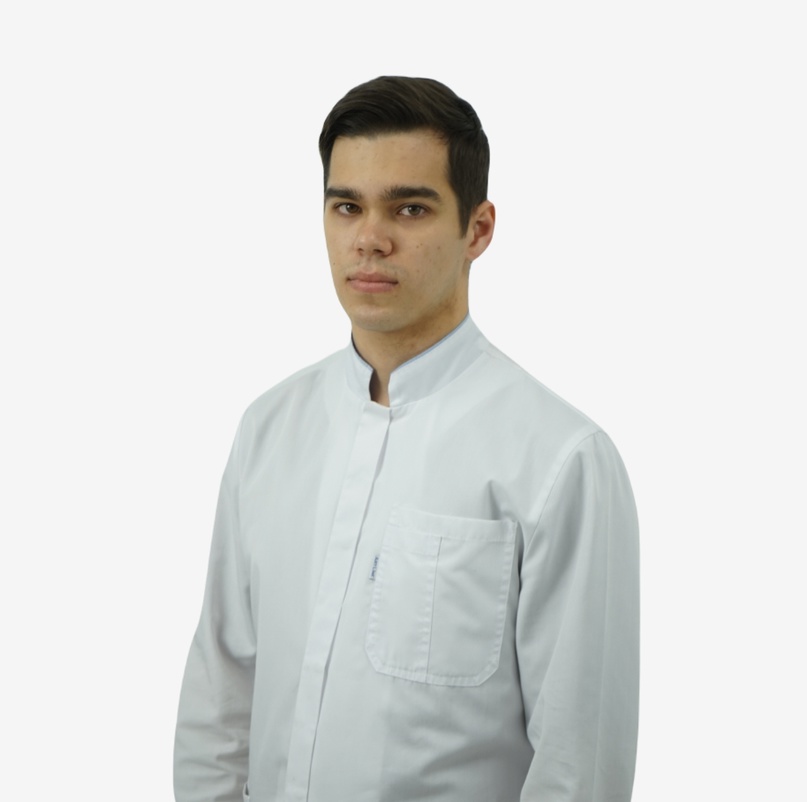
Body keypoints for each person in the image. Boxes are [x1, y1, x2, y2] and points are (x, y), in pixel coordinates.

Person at [174, 76, 640, 802]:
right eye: (346, 206)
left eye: (410, 208)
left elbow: (578, 767)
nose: (370, 237)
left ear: (477, 230)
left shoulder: (558, 459)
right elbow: (221, 694)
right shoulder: (268, 429)